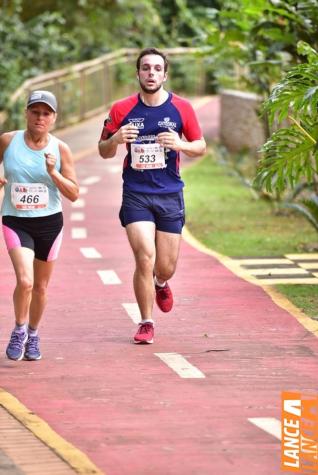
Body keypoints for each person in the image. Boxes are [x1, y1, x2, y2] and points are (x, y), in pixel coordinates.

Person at [98, 47, 206, 344]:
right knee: (144, 256)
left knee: (165, 266)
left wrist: (180, 145)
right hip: (136, 194)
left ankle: (161, 282)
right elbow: (103, 149)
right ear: (138, 73)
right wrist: (117, 139)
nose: (151, 73)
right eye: (146, 68)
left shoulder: (181, 108)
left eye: (157, 69)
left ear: (165, 74)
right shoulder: (121, 109)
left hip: (170, 194)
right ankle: (146, 321)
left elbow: (201, 145)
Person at [0, 90, 79, 360]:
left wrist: (53, 173)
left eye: (46, 113)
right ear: (26, 113)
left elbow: (73, 193)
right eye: (35, 112)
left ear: (54, 118)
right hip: (15, 221)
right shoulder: (8, 141)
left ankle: (33, 335)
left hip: (49, 224)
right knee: (25, 281)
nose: (40, 117)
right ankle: (19, 330)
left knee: (41, 287)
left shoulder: (60, 149)